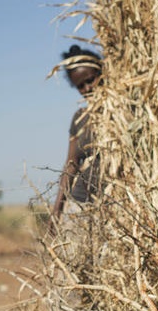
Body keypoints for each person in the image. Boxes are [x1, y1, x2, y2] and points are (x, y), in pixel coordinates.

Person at [51, 45, 104, 217]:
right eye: (80, 86)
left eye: (90, 80)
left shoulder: (124, 111)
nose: (87, 88)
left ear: (102, 72)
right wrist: (57, 210)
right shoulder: (80, 118)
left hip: (115, 204)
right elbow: (71, 164)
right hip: (80, 204)